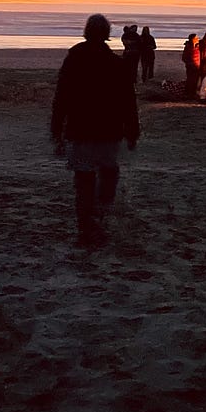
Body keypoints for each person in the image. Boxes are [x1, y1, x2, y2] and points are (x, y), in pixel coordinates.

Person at [51, 14, 140, 249]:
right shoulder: (114, 63)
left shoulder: (75, 58)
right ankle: (97, 215)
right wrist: (132, 130)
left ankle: (87, 225)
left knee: (84, 180)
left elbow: (62, 95)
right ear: (107, 34)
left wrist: (57, 127)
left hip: (81, 128)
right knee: (107, 173)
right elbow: (127, 101)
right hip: (107, 129)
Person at [181, 33, 200, 99]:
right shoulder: (188, 47)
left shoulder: (198, 46)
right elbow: (184, 57)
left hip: (197, 66)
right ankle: (188, 93)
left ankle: (192, 93)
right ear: (192, 39)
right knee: (190, 79)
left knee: (195, 80)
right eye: (196, 38)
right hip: (190, 66)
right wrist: (189, 63)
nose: (198, 39)